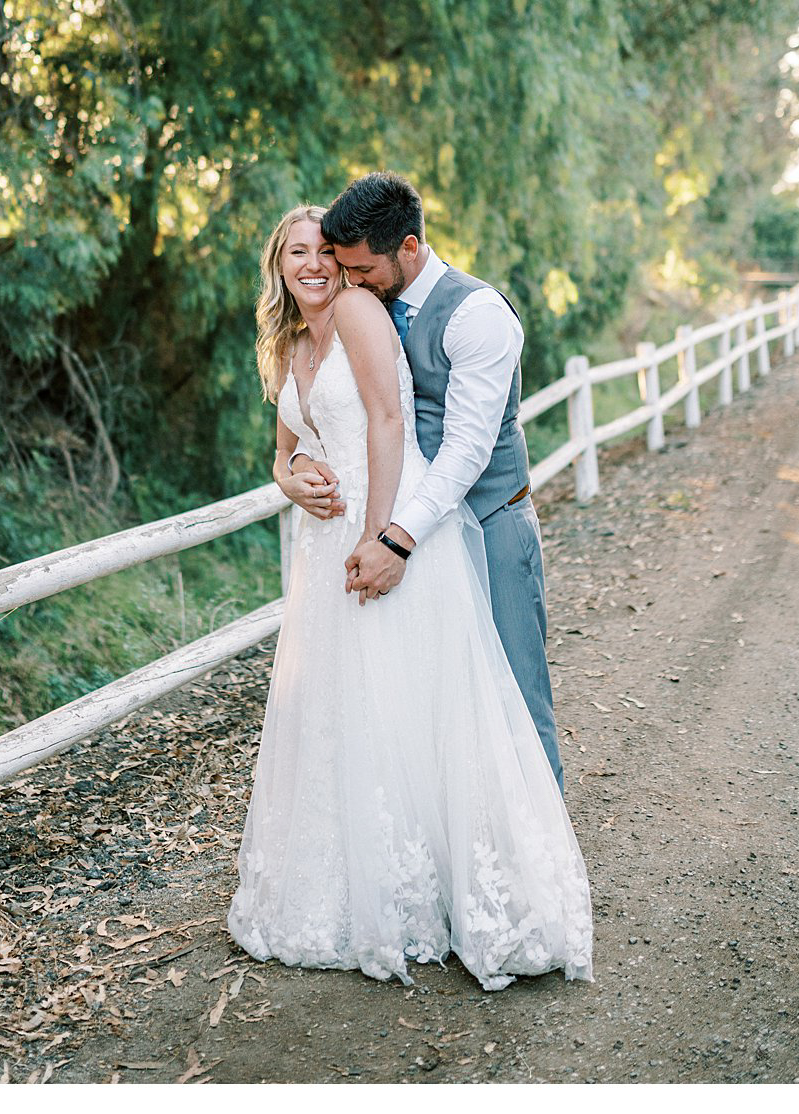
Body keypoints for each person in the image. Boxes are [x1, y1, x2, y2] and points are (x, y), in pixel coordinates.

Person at [225, 202, 591, 990]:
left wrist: (385, 533)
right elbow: (287, 451)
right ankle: (374, 884)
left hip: (406, 517)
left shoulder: (373, 310)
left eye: (331, 252)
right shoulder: (291, 341)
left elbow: (395, 423)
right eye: (300, 253)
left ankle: (521, 882)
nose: (320, 266)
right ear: (277, 267)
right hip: (332, 538)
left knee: (487, 705)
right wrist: (290, 480)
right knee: (354, 713)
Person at [318, 171, 562, 789]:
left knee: (513, 694)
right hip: (423, 535)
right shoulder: (367, 305)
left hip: (489, 523)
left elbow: (466, 451)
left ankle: (545, 870)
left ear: (407, 246)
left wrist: (395, 540)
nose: (353, 282)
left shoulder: (477, 314)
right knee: (445, 703)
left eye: (363, 269)